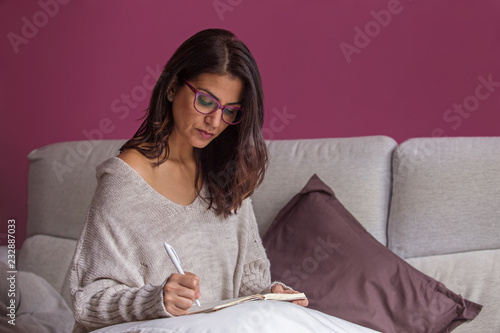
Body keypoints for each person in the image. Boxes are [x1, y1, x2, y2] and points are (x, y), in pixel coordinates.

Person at [69, 28, 308, 333]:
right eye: (206, 101)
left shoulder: (227, 175)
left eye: (230, 111)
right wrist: (155, 300)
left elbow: (250, 285)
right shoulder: (126, 181)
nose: (215, 122)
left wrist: (270, 297)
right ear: (171, 88)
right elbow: (88, 301)